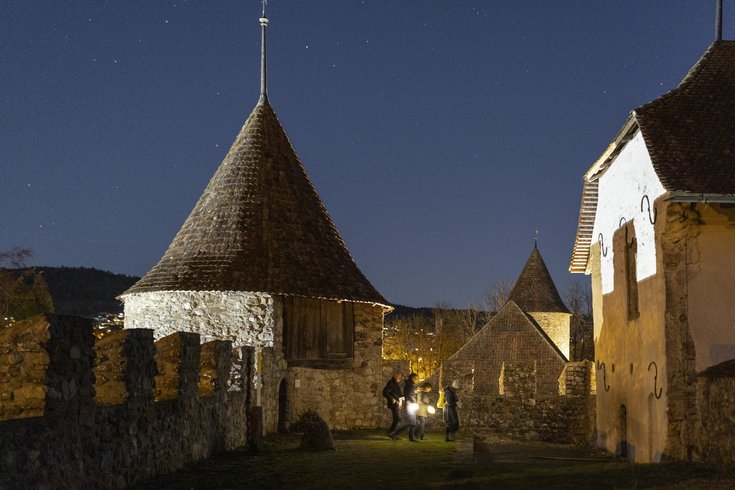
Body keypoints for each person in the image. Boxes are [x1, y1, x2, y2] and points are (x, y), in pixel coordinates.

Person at [389, 372, 419, 441]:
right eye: (416, 378)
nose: (417, 380)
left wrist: (415, 392)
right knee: (410, 422)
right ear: (412, 378)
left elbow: (410, 394)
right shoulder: (410, 385)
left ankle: (411, 437)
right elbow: (409, 395)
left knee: (412, 422)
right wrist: (414, 401)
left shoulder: (410, 385)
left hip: (411, 404)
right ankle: (394, 433)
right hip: (411, 404)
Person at [383, 370, 403, 436]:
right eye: (398, 376)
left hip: (397, 403)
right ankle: (391, 433)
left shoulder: (396, 383)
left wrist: (402, 396)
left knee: (397, 419)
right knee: (397, 419)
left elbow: (398, 393)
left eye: (400, 376)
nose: (399, 377)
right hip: (394, 404)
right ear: (394, 375)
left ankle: (392, 433)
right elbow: (385, 392)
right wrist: (392, 399)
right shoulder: (391, 383)